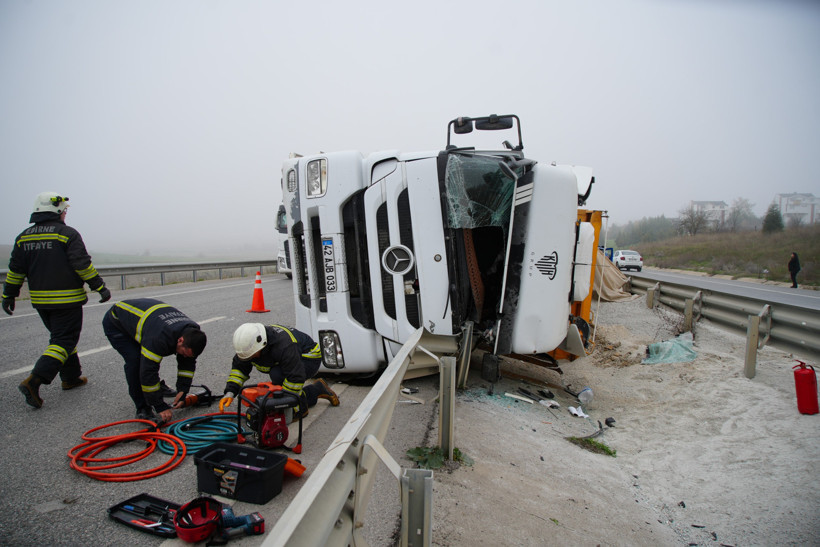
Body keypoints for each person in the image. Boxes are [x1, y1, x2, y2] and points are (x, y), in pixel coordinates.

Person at [3, 192, 111, 409]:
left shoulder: (24, 237)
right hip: (67, 300)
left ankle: (71, 377)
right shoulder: (66, 234)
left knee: (62, 338)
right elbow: (82, 265)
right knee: (64, 341)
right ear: (59, 212)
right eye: (65, 211)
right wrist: (99, 286)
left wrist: (9, 294)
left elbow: (15, 270)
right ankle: (35, 380)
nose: (65, 214)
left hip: (41, 302)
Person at [102, 298, 207, 422]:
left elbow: (187, 364)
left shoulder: (192, 333)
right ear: (180, 340)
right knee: (136, 362)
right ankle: (142, 407)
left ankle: (158, 388)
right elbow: (147, 371)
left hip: (149, 322)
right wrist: (159, 405)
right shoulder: (159, 338)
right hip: (118, 323)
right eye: (184, 353)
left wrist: (183, 390)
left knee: (150, 361)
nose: (184, 357)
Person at [218, 323, 340, 417]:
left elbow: (295, 377)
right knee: (278, 379)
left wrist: (287, 406)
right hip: (289, 361)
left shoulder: (284, 346)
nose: (250, 358)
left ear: (262, 345)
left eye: (252, 355)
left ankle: (307, 400)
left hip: (309, 358)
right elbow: (239, 370)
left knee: (278, 376)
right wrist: (230, 392)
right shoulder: (249, 347)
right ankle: (315, 389)